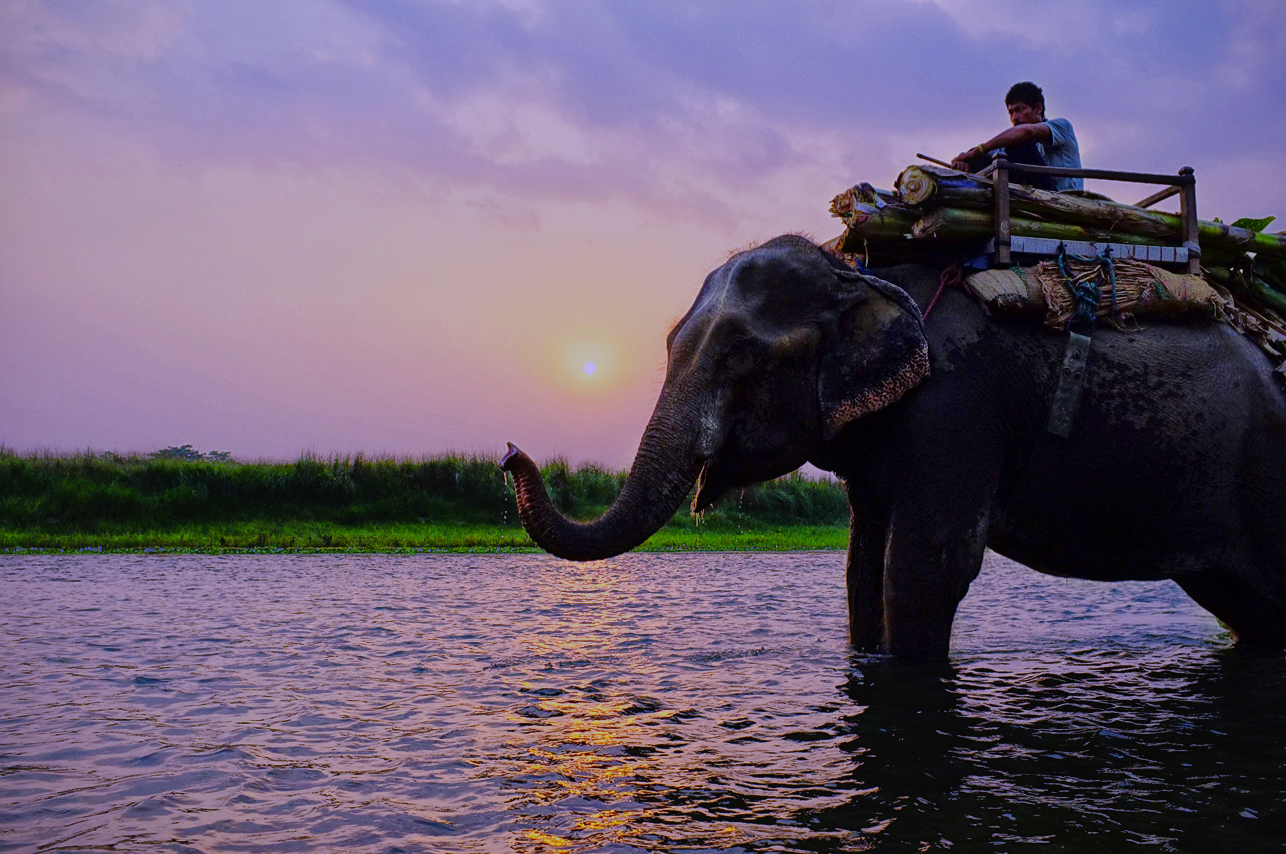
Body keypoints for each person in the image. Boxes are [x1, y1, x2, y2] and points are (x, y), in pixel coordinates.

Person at [951, 82, 1082, 192]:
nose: (1014, 118)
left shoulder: (1062, 126)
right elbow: (989, 152)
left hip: (1058, 194)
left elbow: (1026, 132)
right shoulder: (1017, 138)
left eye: (1020, 110)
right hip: (1028, 189)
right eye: (1011, 112)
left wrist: (977, 151)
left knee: (1019, 143)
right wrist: (965, 161)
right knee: (983, 157)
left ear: (1038, 108)